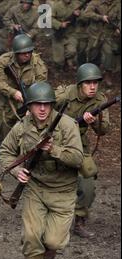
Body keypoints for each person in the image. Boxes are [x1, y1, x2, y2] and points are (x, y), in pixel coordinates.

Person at [0, 82, 84, 259]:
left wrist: (53, 149)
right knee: (30, 237)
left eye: (47, 104)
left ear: (52, 105)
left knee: (52, 242)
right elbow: (4, 153)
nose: (43, 109)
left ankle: (47, 258)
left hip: (63, 192)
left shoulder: (66, 125)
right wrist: (17, 171)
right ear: (29, 107)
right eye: (37, 104)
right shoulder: (22, 127)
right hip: (36, 189)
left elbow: (77, 159)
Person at [55, 63, 110, 238]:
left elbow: (103, 130)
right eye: (88, 83)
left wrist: (93, 121)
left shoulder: (100, 100)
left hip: (80, 144)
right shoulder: (64, 95)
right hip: (56, 141)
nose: (93, 87)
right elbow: (42, 107)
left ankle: (79, 221)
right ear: (80, 84)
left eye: (95, 83)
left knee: (88, 185)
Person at [0, 34, 47, 176]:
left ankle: (26, 172)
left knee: (30, 141)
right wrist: (13, 92)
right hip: (5, 108)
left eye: (29, 52)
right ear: (16, 53)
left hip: (28, 108)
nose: (27, 55)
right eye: (23, 53)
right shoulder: (4, 61)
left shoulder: (37, 63)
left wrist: (33, 106)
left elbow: (41, 86)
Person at [83, 0, 120, 87]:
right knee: (92, 55)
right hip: (95, 35)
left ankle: (108, 76)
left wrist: (118, 28)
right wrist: (100, 17)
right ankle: (91, 74)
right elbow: (86, 13)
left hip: (108, 35)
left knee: (109, 54)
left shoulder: (117, 4)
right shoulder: (95, 2)